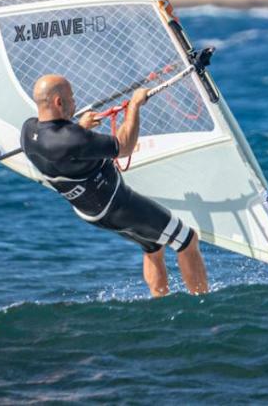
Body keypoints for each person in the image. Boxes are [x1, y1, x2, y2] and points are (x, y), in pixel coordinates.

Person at [21, 73, 209, 297]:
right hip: (119, 205)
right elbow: (124, 147)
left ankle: (160, 300)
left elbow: (63, 147)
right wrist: (135, 106)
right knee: (187, 240)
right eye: (71, 98)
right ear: (58, 102)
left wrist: (80, 126)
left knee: (153, 246)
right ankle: (203, 303)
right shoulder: (74, 140)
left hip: (90, 212)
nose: (75, 102)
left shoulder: (28, 131)